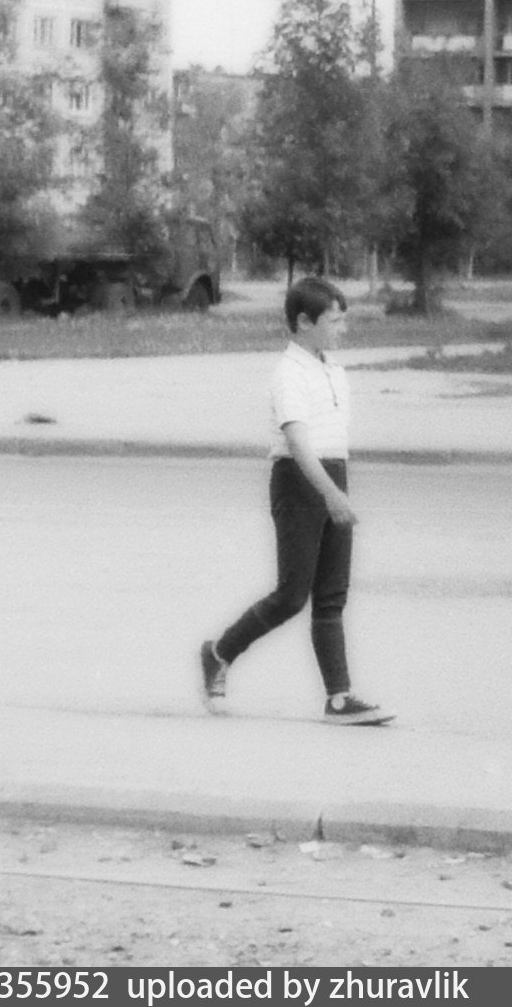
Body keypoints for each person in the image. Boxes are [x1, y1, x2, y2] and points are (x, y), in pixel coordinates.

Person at [197, 277, 394, 725]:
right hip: (299, 482)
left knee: (331, 596)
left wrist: (337, 488)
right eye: (335, 320)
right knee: (291, 595)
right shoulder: (289, 374)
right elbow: (299, 443)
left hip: (332, 476)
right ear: (304, 322)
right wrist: (331, 495)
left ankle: (339, 698)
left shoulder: (332, 369)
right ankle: (218, 652)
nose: (343, 328)